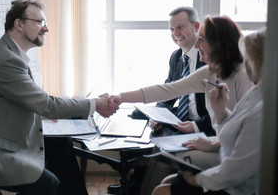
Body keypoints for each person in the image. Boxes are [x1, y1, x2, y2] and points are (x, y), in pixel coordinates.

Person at [0, 0, 118, 195]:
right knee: (47, 183)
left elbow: (27, 103)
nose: (46, 29)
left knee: (61, 142)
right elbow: (47, 104)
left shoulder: (8, 52)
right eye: (40, 22)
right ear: (19, 24)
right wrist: (95, 104)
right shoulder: (6, 60)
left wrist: (41, 111)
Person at [108, 15, 253, 194]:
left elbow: (247, 134)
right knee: (162, 155)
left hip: (234, 155)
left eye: (202, 40)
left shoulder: (242, 75)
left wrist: (213, 144)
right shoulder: (210, 72)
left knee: (166, 157)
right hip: (220, 144)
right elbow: (167, 90)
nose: (197, 45)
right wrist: (120, 97)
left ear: (219, 45)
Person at [151, 29, 265, 195]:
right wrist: (220, 113)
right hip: (229, 167)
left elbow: (238, 167)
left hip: (240, 186)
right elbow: (169, 90)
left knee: (160, 191)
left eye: (247, 58)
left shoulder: (262, 105)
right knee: (167, 181)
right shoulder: (256, 92)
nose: (244, 63)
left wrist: (198, 180)